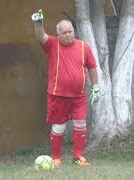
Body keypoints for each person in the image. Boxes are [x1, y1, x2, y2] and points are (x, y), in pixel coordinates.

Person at [31, 9, 100, 167]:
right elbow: (41, 36)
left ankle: (78, 157)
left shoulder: (83, 47)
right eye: (65, 33)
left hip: (79, 95)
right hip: (57, 95)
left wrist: (96, 87)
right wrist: (38, 22)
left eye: (70, 32)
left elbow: (92, 67)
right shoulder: (53, 44)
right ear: (58, 34)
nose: (68, 35)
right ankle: (56, 158)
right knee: (59, 127)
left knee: (81, 124)